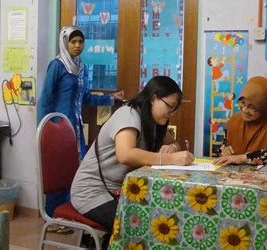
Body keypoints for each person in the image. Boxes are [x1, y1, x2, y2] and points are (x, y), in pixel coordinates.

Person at [71, 76, 194, 247]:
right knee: (143, 225)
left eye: (175, 109)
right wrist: (168, 158)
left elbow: (174, 143)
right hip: (92, 192)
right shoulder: (128, 114)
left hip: (119, 191)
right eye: (169, 107)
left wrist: (172, 148)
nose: (171, 113)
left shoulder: (154, 121)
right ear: (153, 98)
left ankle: (105, 242)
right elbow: (125, 154)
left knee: (162, 217)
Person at [38, 26, 124, 218]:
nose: (77, 46)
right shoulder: (57, 65)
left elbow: (86, 98)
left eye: (80, 42)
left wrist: (111, 99)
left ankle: (71, 212)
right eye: (73, 42)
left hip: (75, 129)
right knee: (58, 170)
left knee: (76, 169)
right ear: (65, 42)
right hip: (57, 128)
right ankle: (53, 216)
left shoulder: (81, 67)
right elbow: (45, 99)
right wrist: (43, 129)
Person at [214, 76, 267, 167]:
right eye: (242, 103)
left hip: (264, 178)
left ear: (265, 107)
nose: (245, 110)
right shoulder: (234, 121)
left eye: (252, 107)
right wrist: (224, 151)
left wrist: (242, 158)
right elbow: (221, 150)